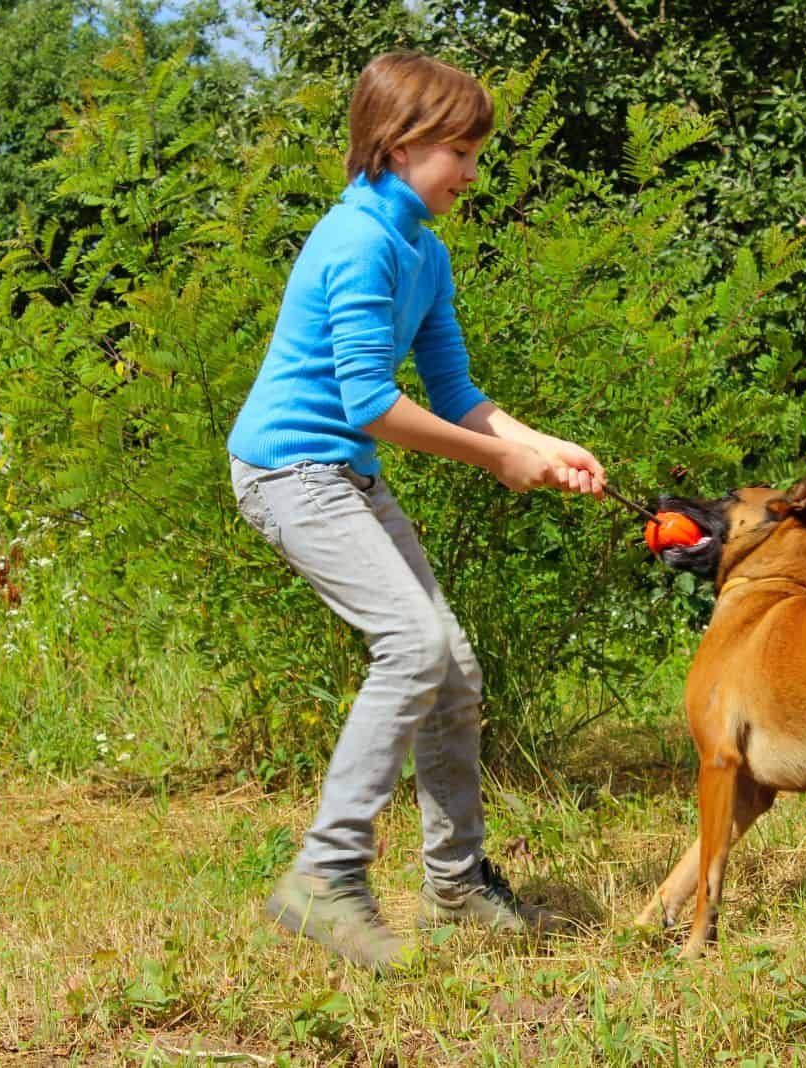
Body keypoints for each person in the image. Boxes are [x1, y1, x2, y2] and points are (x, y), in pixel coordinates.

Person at [226, 51, 605, 973]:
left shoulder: (422, 252)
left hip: (342, 475)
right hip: (287, 470)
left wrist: (542, 445)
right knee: (414, 645)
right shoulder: (355, 239)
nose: (473, 170)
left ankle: (456, 886)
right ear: (398, 145)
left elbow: (455, 390)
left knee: (454, 669)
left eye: (476, 151)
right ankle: (326, 875)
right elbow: (369, 403)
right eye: (461, 150)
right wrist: (499, 459)